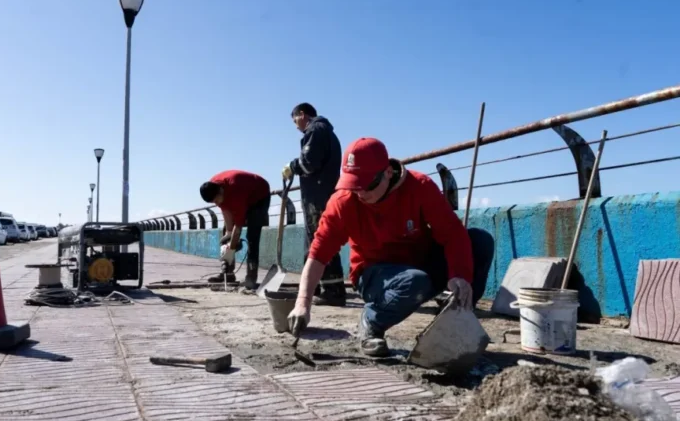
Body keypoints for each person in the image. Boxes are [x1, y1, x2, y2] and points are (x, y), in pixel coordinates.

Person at [286, 137, 495, 357]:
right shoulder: (343, 202)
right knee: (415, 282)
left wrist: (459, 275)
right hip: (374, 273)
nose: (361, 193)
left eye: (367, 185)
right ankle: (371, 322)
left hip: (419, 264)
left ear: (387, 172)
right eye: (354, 184)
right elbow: (318, 255)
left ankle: (454, 320)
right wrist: (302, 304)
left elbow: (453, 233)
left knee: (480, 242)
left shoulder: (420, 187)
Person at [281, 102, 347, 307]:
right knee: (316, 240)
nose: (296, 126)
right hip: (321, 193)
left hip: (319, 196)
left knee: (323, 239)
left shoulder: (316, 130)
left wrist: (292, 166)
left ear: (302, 114)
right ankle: (317, 285)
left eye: (295, 120)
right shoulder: (325, 132)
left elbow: (309, 162)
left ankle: (333, 290)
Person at [199, 170, 271, 290]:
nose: (216, 203)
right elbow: (225, 211)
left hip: (259, 196)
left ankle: (251, 277)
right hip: (241, 194)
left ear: (221, 191)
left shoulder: (236, 193)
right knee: (226, 235)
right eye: (214, 202)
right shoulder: (213, 188)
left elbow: (238, 227)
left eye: (216, 200)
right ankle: (228, 274)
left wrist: (231, 249)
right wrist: (228, 236)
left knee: (252, 236)